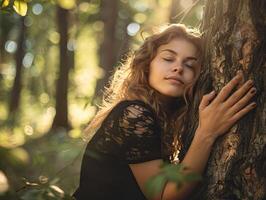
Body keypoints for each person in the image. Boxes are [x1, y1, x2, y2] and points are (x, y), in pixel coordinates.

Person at [73, 24, 257, 200]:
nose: (178, 68)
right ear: (147, 65)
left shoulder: (159, 119)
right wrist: (207, 133)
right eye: (168, 58)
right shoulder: (134, 114)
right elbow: (162, 195)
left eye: (190, 65)